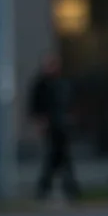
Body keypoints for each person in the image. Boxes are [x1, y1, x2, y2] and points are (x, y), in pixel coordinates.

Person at [29, 54, 80, 202]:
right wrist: (40, 122)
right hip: (50, 126)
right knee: (53, 158)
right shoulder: (41, 85)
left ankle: (67, 189)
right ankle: (49, 189)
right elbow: (35, 106)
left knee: (63, 158)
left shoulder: (63, 83)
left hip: (63, 125)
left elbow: (70, 102)